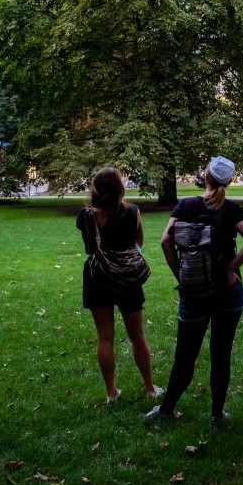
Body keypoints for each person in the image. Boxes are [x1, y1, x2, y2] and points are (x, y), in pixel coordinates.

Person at [144, 156, 243, 422]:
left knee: (185, 354)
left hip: (194, 293)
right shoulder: (233, 210)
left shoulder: (185, 206)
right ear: (229, 182)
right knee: (221, 354)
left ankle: (166, 410)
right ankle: (217, 414)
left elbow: (165, 242)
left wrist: (183, 277)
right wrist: (230, 269)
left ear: (205, 175)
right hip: (228, 293)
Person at [76, 167, 161, 403]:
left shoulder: (85, 216)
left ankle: (111, 392)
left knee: (105, 338)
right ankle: (149, 388)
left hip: (97, 278)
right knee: (138, 336)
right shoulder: (132, 212)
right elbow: (139, 242)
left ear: (96, 188)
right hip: (128, 279)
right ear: (119, 188)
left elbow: (89, 246)